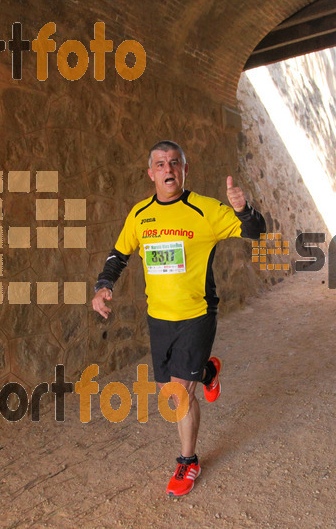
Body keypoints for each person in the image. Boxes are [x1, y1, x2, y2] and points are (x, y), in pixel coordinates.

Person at [92, 140, 266, 497]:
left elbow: (256, 232)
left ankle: (188, 462)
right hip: (159, 317)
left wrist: (244, 209)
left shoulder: (205, 210)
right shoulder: (140, 214)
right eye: (160, 164)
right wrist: (103, 284)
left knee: (178, 395)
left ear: (184, 169)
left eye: (175, 163)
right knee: (168, 391)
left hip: (197, 314)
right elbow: (119, 253)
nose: (168, 169)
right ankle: (207, 372)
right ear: (151, 173)